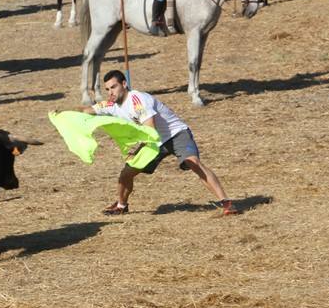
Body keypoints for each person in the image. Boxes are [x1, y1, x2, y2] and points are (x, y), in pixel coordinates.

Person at [82, 70, 239, 216]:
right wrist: (62, 114)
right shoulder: (111, 104)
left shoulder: (138, 100)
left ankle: (226, 203)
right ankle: (121, 206)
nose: (110, 92)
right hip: (153, 142)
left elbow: (151, 130)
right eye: (107, 89)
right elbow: (87, 111)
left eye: (113, 87)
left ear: (124, 84)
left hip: (175, 134)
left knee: (193, 162)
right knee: (126, 173)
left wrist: (137, 150)